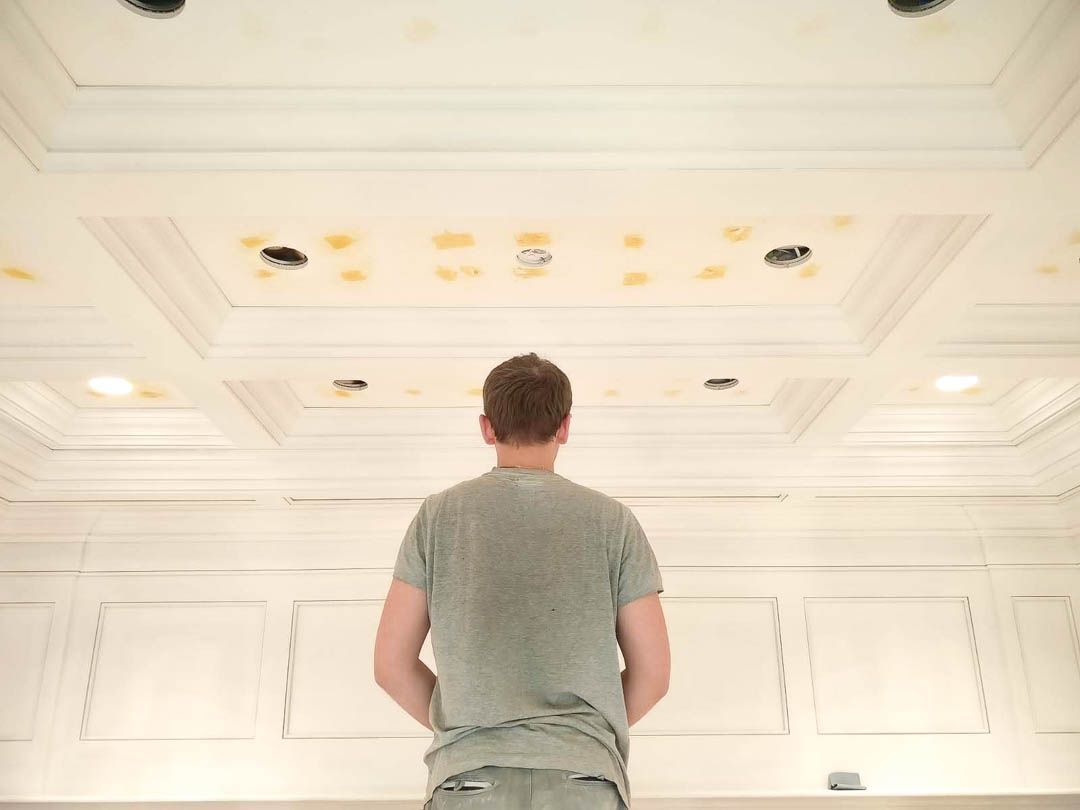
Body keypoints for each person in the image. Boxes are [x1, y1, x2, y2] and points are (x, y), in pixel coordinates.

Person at [374, 352, 670, 809]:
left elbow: (391, 666)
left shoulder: (437, 517)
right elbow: (653, 674)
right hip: (584, 778)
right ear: (565, 427)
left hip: (467, 778)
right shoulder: (614, 522)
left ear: (487, 427)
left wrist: (464, 730)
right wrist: (584, 736)